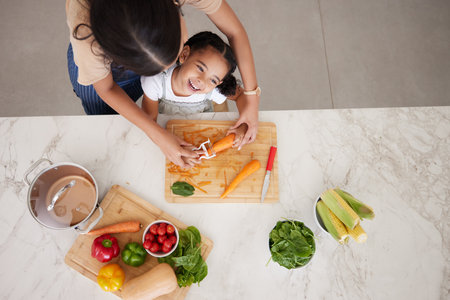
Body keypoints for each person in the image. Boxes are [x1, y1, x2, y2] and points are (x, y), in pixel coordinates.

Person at [65, 0, 260, 168]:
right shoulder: (86, 34)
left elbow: (234, 31)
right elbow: (106, 89)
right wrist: (157, 135)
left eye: (173, 55)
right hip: (103, 70)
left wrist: (252, 98)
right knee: (106, 122)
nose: (164, 73)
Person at [141, 31, 247, 148]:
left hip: (202, 139)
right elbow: (149, 121)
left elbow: (242, 95)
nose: (202, 81)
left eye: (213, 80)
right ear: (184, 55)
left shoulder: (214, 90)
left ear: (218, 83)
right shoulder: (156, 81)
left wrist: (243, 125)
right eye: (200, 68)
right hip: (166, 136)